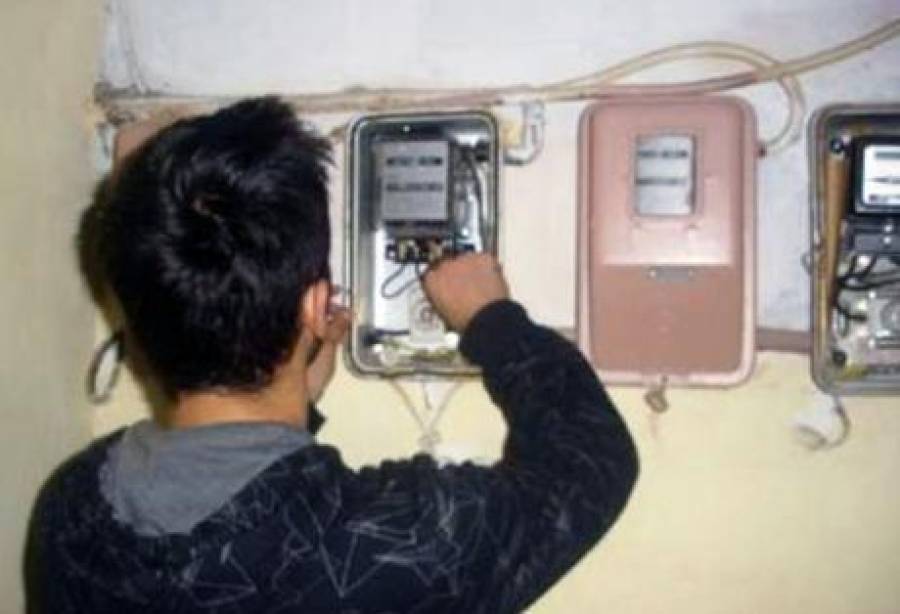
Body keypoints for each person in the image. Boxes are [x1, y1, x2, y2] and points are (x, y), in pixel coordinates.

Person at [26, 97, 638, 613]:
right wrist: (491, 320)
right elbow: (590, 465)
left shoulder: (71, 511)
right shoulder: (397, 542)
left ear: (136, 317)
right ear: (316, 307)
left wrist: (296, 400)